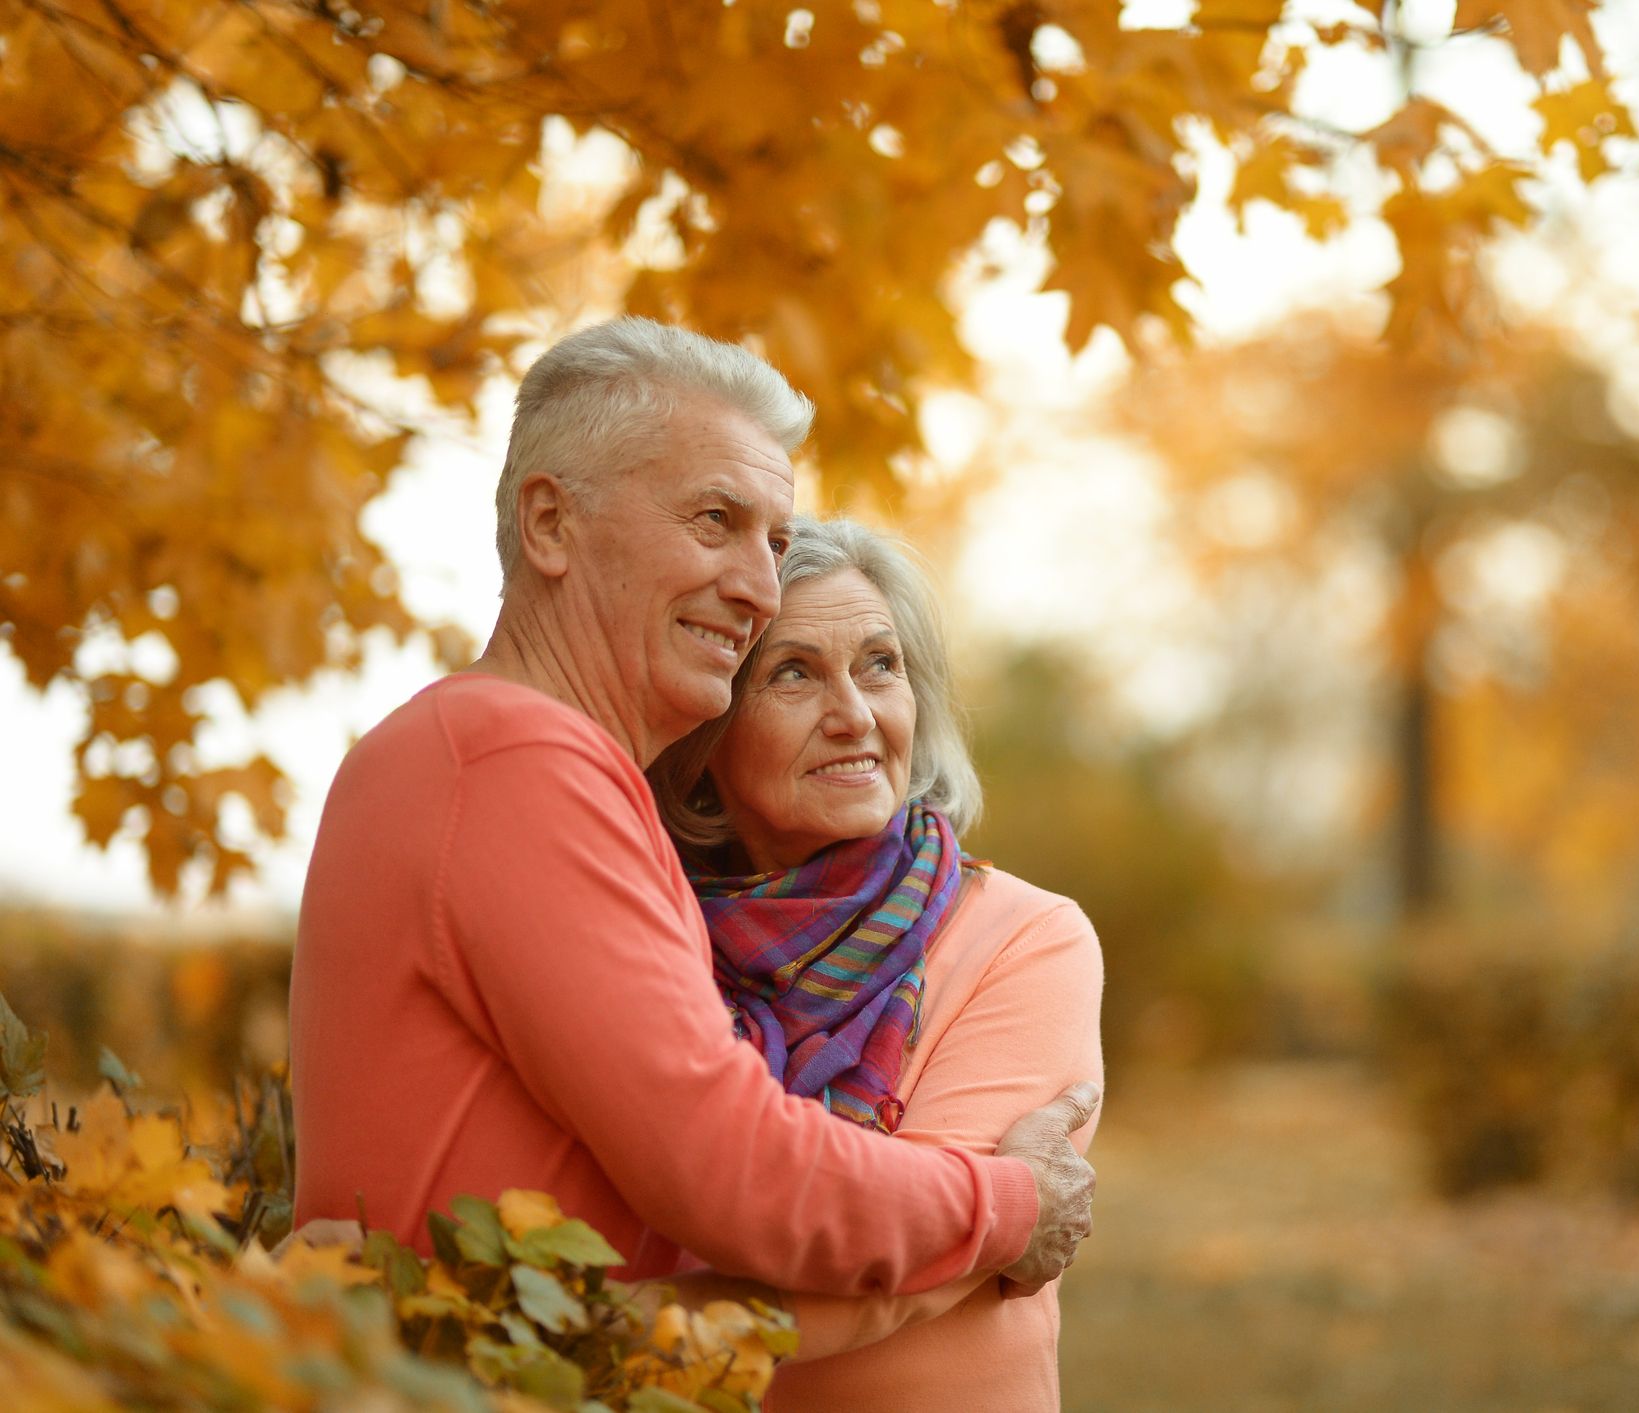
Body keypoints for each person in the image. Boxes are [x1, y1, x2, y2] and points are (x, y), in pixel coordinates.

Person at [289, 318, 1096, 1300]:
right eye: (714, 520)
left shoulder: (516, 761)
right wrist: (1007, 1203)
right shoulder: (512, 759)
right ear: (550, 524)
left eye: (776, 539)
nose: (758, 587)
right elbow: (730, 1167)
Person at [647, 518, 1103, 1411]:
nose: (854, 713)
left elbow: (918, 1261)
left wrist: (616, 1324)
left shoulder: (1026, 937)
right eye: (792, 672)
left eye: (880, 665)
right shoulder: (645, 934)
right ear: (704, 740)